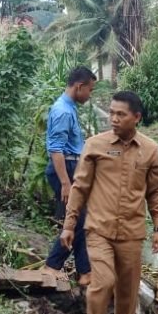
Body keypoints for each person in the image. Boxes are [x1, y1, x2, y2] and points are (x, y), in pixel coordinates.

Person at [60, 90, 158, 314]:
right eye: (112, 112)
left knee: (128, 293)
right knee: (102, 283)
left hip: (131, 232)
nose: (114, 118)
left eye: (121, 114)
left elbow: (155, 192)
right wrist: (69, 224)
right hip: (99, 230)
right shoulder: (95, 145)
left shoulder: (150, 150)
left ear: (136, 117)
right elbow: (80, 188)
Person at [42, 67, 97, 287]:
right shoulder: (63, 111)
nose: (90, 94)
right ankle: (52, 266)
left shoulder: (68, 107)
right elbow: (56, 150)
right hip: (65, 170)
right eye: (90, 90)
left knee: (79, 220)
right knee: (76, 221)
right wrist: (66, 182)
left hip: (71, 167)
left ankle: (85, 273)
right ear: (79, 87)